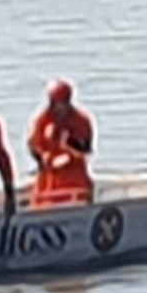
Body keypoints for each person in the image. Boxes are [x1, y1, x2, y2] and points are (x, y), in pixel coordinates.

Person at [27, 78, 96, 208]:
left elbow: (86, 149)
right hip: (49, 178)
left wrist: (70, 144)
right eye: (56, 104)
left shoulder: (81, 120)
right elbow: (33, 145)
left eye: (63, 104)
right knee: (43, 203)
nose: (60, 108)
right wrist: (42, 159)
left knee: (79, 197)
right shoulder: (41, 121)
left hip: (74, 174)